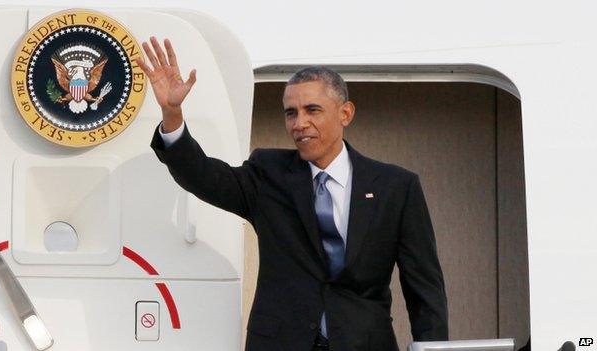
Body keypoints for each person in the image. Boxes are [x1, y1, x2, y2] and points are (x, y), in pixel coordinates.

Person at [138, 36, 448, 351]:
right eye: (291, 113)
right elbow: (203, 175)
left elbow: (424, 288)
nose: (300, 123)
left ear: (345, 113)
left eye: (312, 110)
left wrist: (433, 347)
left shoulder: (395, 187)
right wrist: (172, 114)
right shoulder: (268, 173)